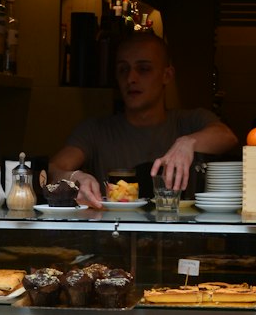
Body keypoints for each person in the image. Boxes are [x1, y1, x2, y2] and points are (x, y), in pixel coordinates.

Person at [49, 30, 238, 208]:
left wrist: (188, 142)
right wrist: (75, 177)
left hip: (179, 235)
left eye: (144, 69)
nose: (131, 78)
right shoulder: (96, 130)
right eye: (123, 69)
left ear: (167, 75)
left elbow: (227, 136)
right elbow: (55, 167)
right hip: (115, 237)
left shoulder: (190, 121)